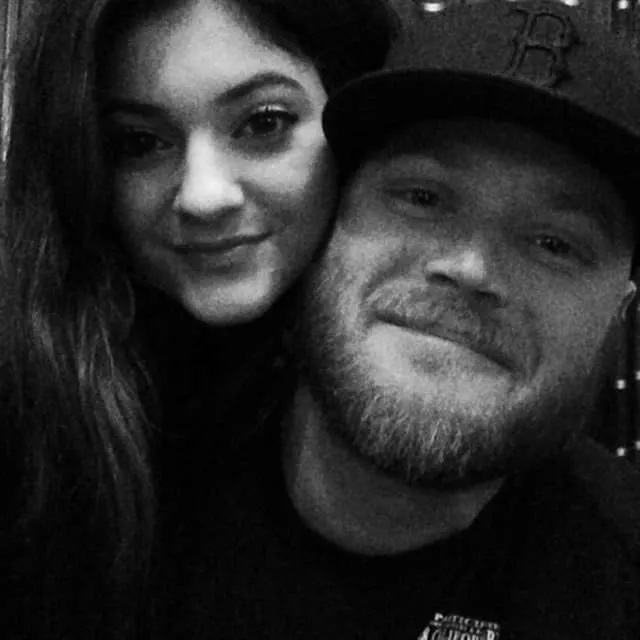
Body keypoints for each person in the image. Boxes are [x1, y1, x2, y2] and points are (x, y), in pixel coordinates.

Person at [156, 1, 640, 638]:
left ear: (620, 311)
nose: (470, 268)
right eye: (422, 197)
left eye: (555, 243)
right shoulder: (113, 494)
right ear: (328, 223)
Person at [0, 0, 395, 637]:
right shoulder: (31, 401)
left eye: (263, 123)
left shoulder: (406, 375)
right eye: (139, 143)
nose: (204, 195)